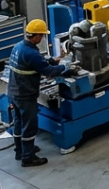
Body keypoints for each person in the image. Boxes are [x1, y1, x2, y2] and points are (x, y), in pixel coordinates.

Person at [7, 19, 71, 167]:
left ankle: (20, 151)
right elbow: (48, 71)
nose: (42, 38)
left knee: (18, 123)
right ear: (35, 36)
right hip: (25, 95)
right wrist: (65, 67)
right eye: (41, 35)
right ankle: (28, 157)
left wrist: (54, 60)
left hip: (13, 92)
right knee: (29, 126)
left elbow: (37, 62)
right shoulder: (31, 53)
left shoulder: (19, 46)